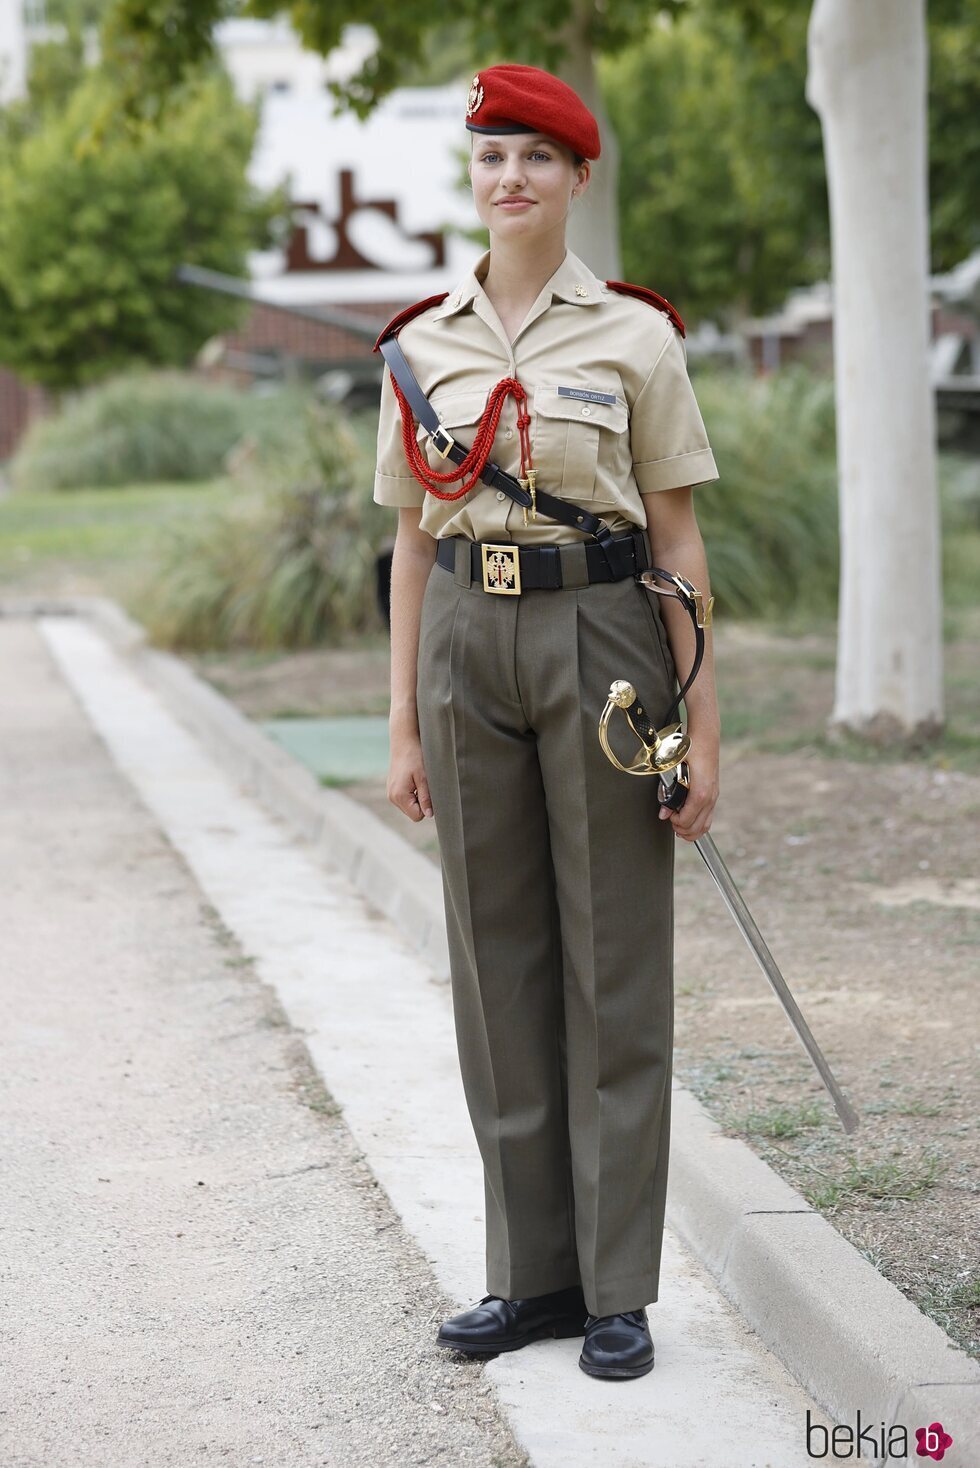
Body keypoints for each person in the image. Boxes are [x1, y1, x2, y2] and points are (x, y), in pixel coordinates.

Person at [372, 62, 721, 1381]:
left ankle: (617, 1287)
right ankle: (528, 1280)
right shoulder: (422, 342)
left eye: (534, 158)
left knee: (612, 966)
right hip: (468, 636)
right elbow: (411, 540)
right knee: (496, 963)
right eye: (488, 158)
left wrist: (707, 731)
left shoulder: (637, 339)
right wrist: (402, 716)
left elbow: (678, 538)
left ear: (579, 178)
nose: (507, 179)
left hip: (608, 641)